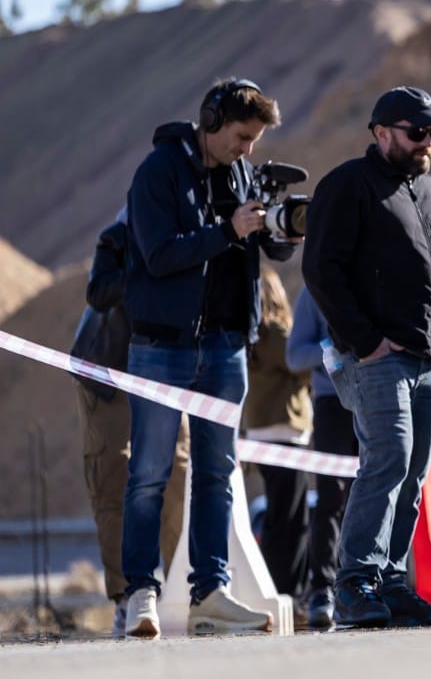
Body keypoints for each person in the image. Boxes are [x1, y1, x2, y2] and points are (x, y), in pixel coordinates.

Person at [302, 86, 431, 629]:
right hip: (378, 358)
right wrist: (366, 341)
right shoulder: (346, 187)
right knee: (389, 458)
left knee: (413, 473)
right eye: (416, 131)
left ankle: (391, 583)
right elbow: (320, 270)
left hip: (430, 357)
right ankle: (355, 583)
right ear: (381, 134)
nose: (428, 141)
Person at [120, 77, 295, 638]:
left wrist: (277, 227)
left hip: (225, 346)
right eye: (243, 136)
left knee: (218, 474)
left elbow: (259, 247)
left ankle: (209, 595)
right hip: (162, 348)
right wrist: (227, 230)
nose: (249, 148)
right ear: (212, 121)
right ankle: (140, 595)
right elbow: (159, 254)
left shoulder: (242, 170)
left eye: (255, 139)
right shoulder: (158, 172)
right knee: (148, 474)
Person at [68, 211, 188, 637]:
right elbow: (98, 294)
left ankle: (181, 593)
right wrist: (146, 267)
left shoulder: (199, 224)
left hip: (168, 371)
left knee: (178, 477)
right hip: (107, 369)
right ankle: (125, 598)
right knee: (114, 479)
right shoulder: (119, 235)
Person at [284, 285, 355, 630]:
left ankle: (367, 582)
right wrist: (333, 347)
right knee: (331, 495)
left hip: (377, 397)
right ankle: (322, 589)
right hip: (331, 403)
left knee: (371, 494)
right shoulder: (312, 291)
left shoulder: (374, 273)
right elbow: (295, 355)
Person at [241, 265, 311, 613]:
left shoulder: (250, 336)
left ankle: (276, 589)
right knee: (292, 520)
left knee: (277, 516)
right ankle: (289, 593)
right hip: (285, 432)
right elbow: (300, 361)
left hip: (259, 433)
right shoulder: (273, 331)